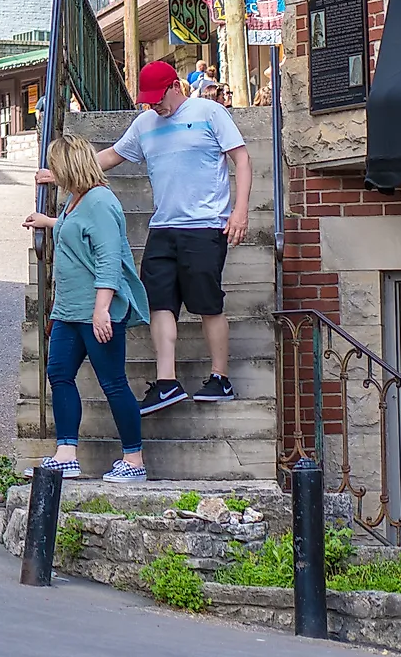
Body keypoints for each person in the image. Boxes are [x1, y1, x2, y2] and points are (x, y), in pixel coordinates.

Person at [41, 58, 252, 413]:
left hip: (204, 225)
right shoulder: (144, 124)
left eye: (159, 97)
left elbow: (242, 160)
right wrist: (60, 173)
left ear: (175, 86)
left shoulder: (209, 112)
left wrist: (240, 210)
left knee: (207, 303)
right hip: (162, 227)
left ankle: (220, 378)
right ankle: (167, 381)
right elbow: (111, 156)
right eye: (148, 99)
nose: (154, 104)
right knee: (159, 302)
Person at [23, 135, 153, 483]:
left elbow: (109, 260)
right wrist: (47, 221)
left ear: (70, 167)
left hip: (98, 310)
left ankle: (134, 459)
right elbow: (74, 230)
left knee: (113, 382)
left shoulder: (100, 202)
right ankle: (66, 454)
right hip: (68, 310)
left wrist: (102, 310)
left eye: (56, 166)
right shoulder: (74, 200)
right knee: (59, 373)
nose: (52, 172)